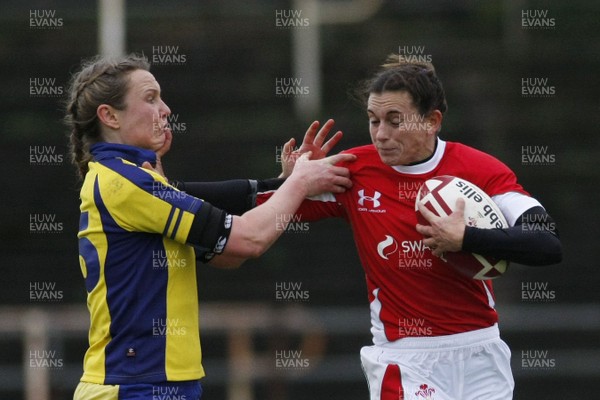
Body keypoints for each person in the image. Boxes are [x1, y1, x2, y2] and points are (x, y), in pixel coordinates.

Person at [195, 56, 561, 399]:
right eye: (373, 120)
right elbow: (250, 198)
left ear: (432, 121)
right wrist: (290, 182)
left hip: (482, 351)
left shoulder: (479, 170)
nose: (381, 134)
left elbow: (545, 244)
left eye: (394, 120)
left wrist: (466, 239)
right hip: (406, 358)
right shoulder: (355, 173)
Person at [64, 53, 355, 400]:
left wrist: (284, 182)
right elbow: (247, 240)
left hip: (162, 382)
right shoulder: (123, 182)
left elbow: (224, 254)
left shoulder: (135, 179)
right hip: (132, 386)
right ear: (109, 116)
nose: (166, 109)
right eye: (150, 98)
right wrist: (301, 183)